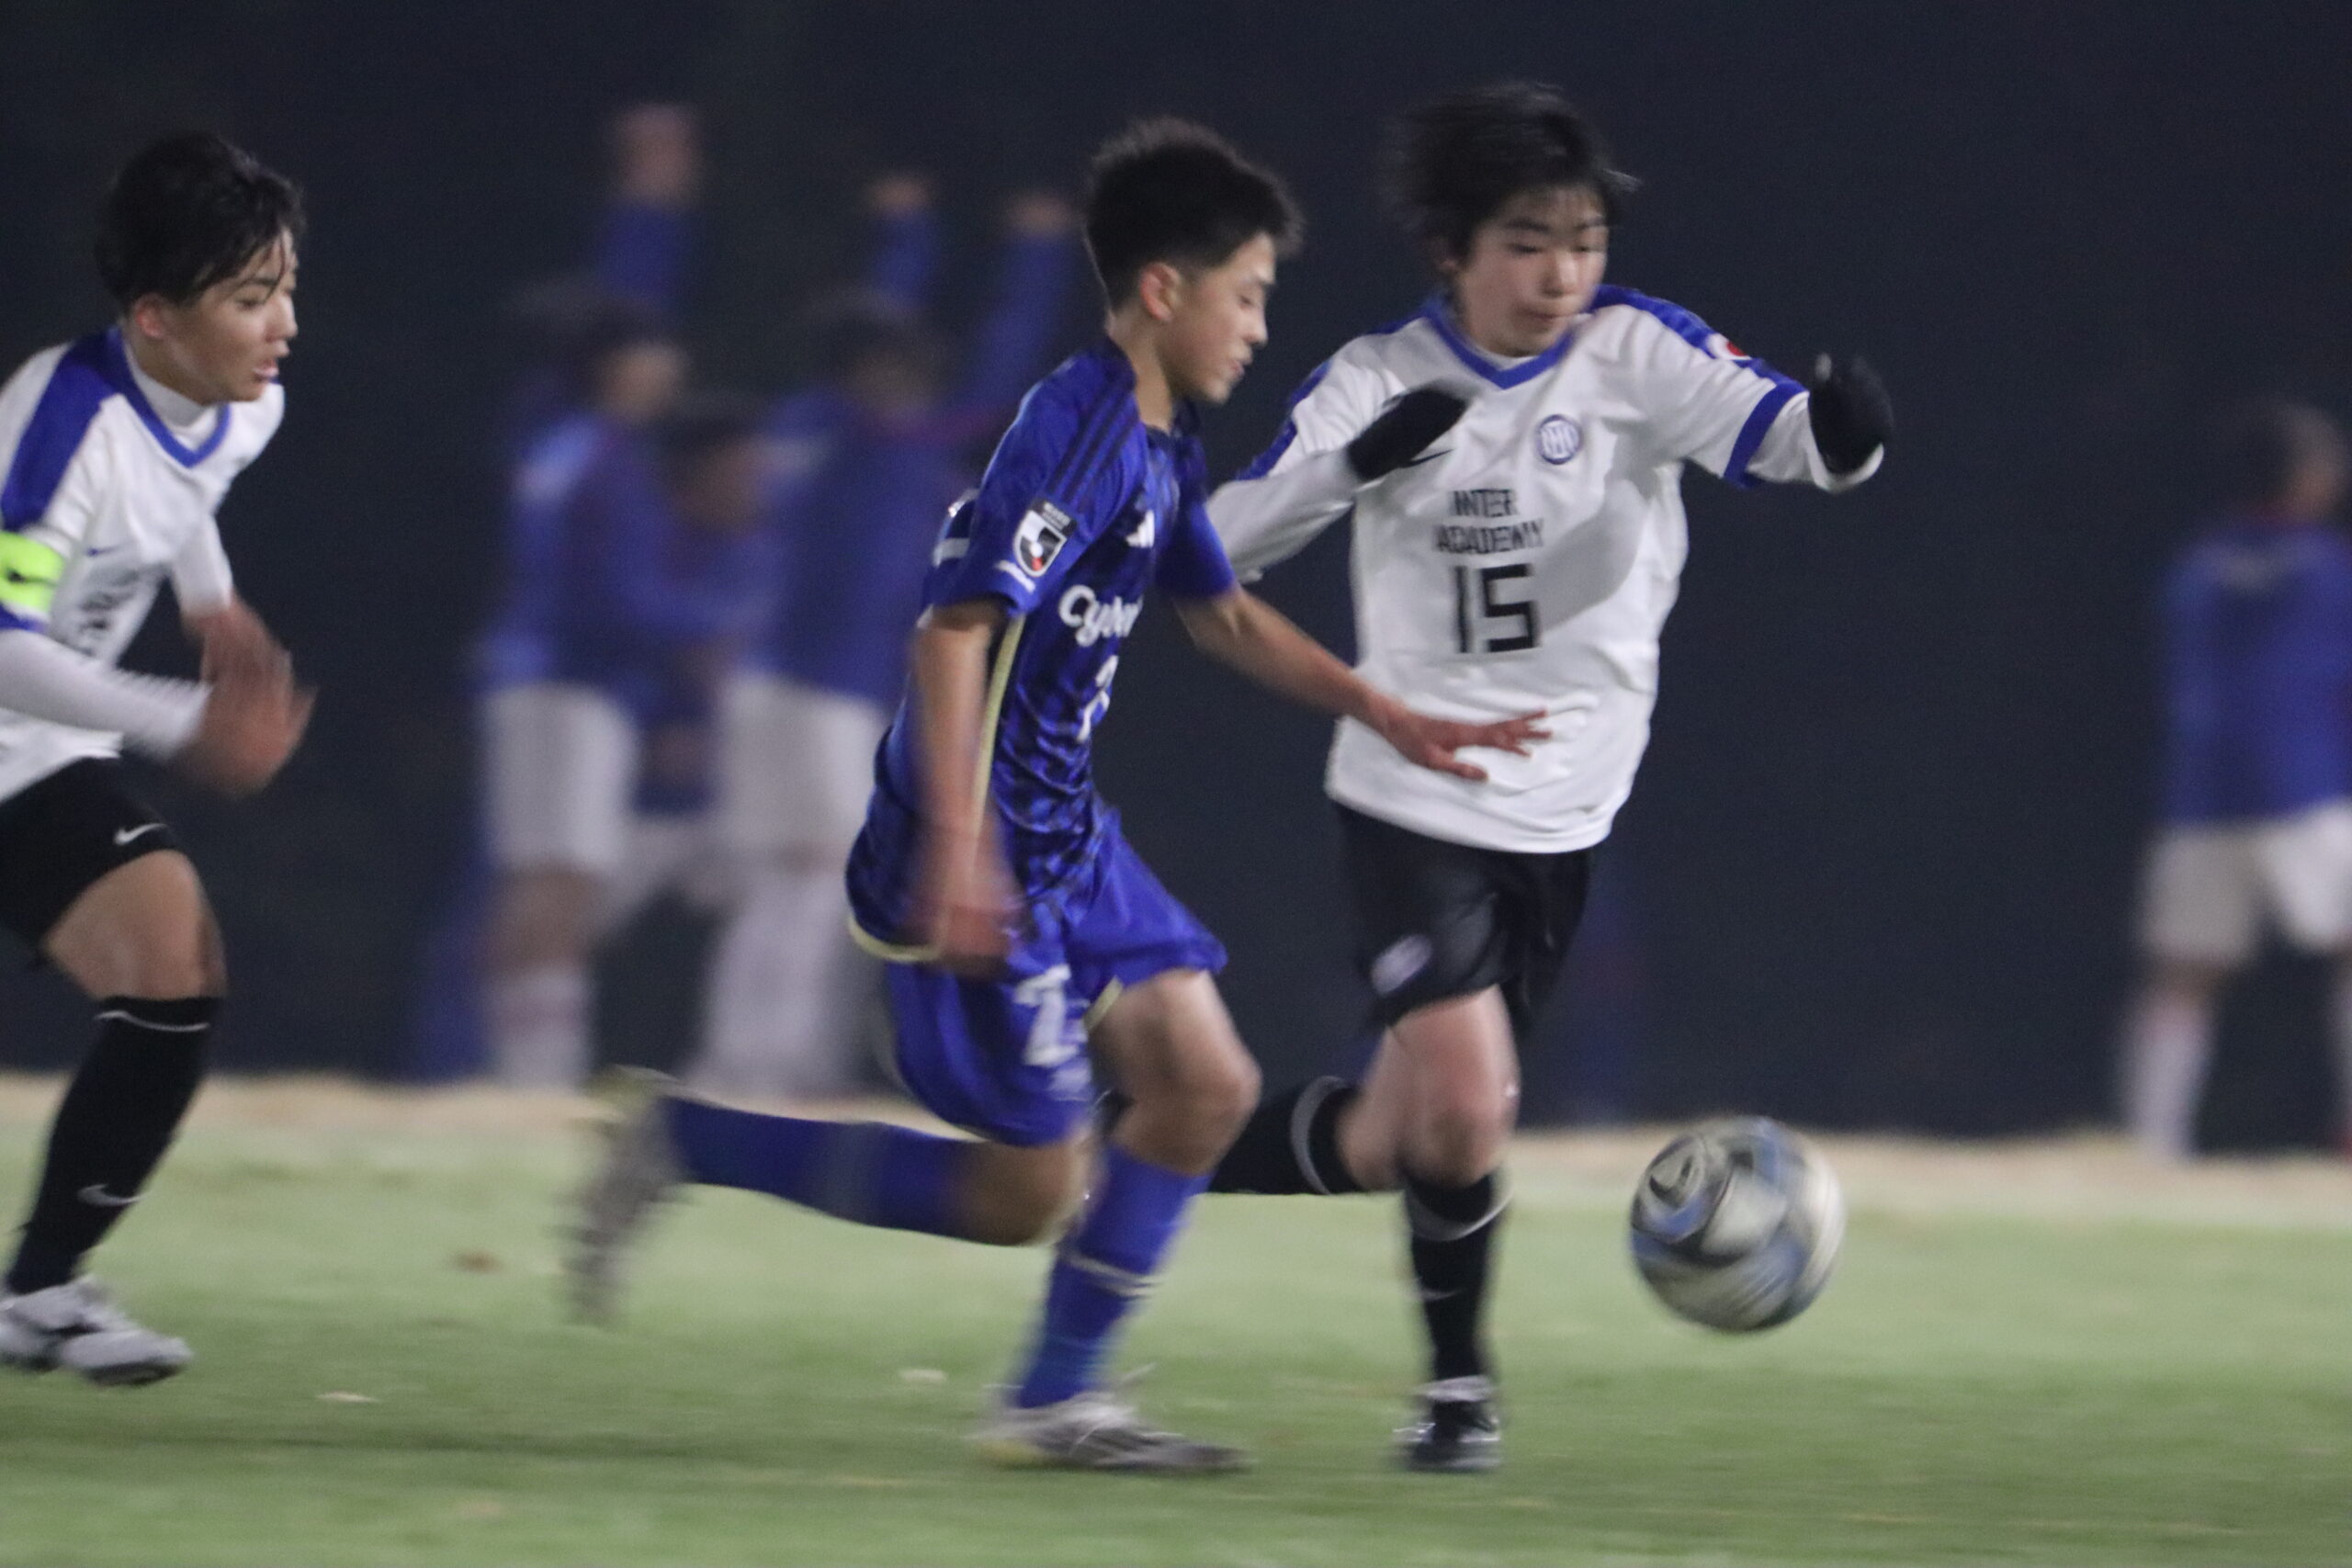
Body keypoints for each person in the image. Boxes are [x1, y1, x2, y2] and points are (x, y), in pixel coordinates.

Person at [570, 118, 1542, 1472]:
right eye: (1247, 294)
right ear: (1164, 288)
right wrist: (961, 851)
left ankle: (1058, 1398)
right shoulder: (1076, 429)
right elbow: (951, 632)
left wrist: (1382, 707)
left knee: (1205, 1085)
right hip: (982, 839)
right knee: (1021, 1192)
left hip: (1066, 834)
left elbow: (1221, 615)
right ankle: (689, 1138)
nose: (1259, 326)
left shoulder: (1162, 441)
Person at [1202, 82, 1892, 1471]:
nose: (1562, 273)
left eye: (1583, 241)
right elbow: (1216, 543)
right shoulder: (1378, 379)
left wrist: (1848, 432)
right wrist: (1348, 468)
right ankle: (1460, 1395)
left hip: (1571, 808)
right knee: (1471, 1102)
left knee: (1401, 1136)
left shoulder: (1636, 353)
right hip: (1412, 794)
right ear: (1449, 250)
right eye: (1527, 242)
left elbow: (1788, 441)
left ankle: (1141, 1145)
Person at [0, 132, 312, 1384]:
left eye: (286, 286)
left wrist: (209, 597)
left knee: (173, 971)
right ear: (153, 318)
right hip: (23, 718)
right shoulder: (60, 428)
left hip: (33, 759)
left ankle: (39, 1291)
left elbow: (187, 485)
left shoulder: (245, 400)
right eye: (250, 298)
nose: (283, 324)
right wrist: (185, 721)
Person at [695, 175, 1079, 1098]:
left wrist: (905, 240)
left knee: (787, 883)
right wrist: (1035, 259)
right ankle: (767, 1067)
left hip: (776, 684)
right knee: (825, 877)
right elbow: (996, 382)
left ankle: (748, 1061)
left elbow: (877, 330)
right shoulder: (877, 441)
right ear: (867, 371)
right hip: (819, 690)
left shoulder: (808, 427)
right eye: (896, 367)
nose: (913, 382)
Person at [478, 391, 772, 1088]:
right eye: (738, 471)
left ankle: (747, 1070)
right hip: (642, 793)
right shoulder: (651, 539)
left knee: (805, 885)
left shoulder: (765, 553)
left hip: (723, 795)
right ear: (693, 475)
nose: (753, 486)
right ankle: (518, 1071)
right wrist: (674, 719)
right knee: (556, 909)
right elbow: (643, 628)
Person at [2125, 400, 2352, 1161]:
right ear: (2305, 478)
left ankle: (2152, 1145)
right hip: (2305, 789)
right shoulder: (2327, 568)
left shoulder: (2197, 566)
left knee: (2183, 974)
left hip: (2204, 793)